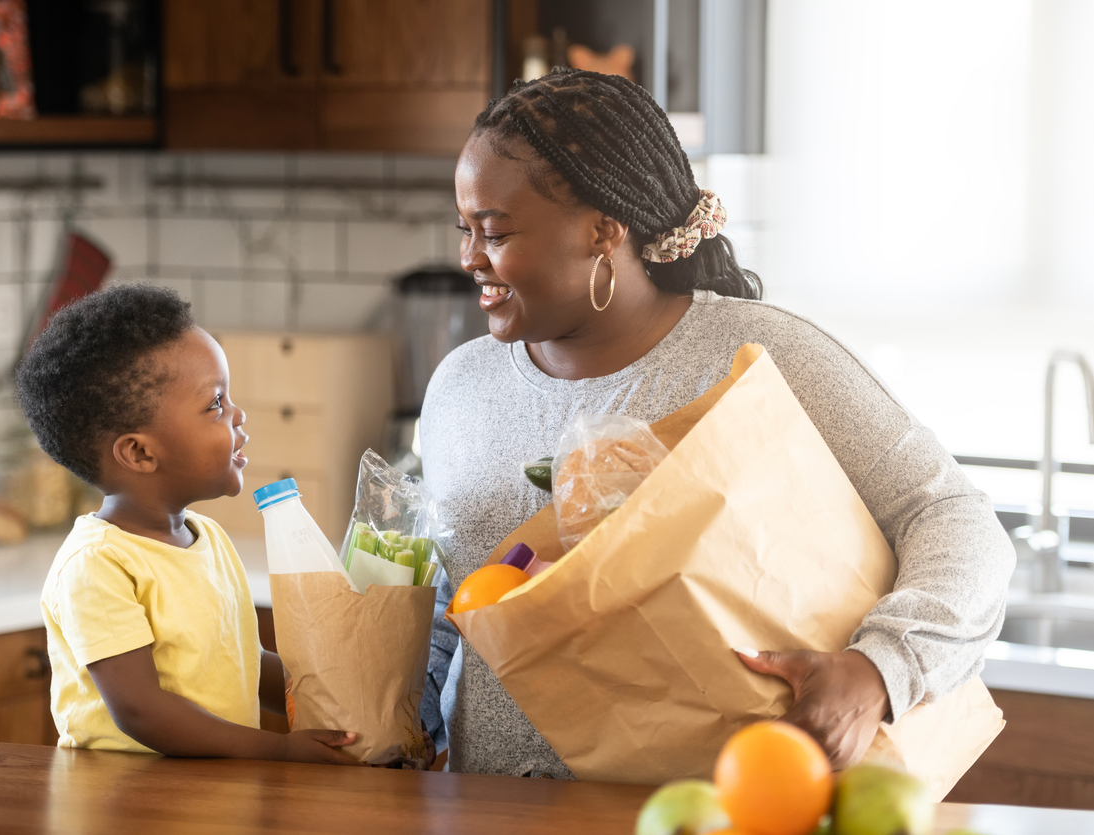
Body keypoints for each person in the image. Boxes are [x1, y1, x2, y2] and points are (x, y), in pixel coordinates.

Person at [419, 69, 1014, 777]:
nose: (468, 258)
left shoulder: (758, 358)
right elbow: (442, 613)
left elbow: (953, 518)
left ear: (602, 232)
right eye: (464, 230)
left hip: (717, 808)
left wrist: (877, 669)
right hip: (487, 812)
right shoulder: (459, 385)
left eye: (494, 232)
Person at [18, 284, 359, 764]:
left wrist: (345, 704)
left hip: (209, 798)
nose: (238, 415)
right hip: (130, 807)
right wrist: (279, 750)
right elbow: (142, 710)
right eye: (215, 403)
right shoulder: (97, 565)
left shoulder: (209, 539)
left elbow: (243, 664)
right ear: (139, 452)